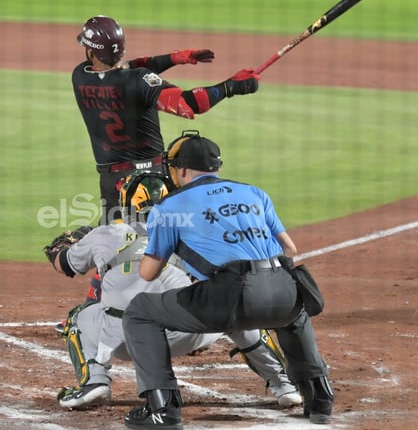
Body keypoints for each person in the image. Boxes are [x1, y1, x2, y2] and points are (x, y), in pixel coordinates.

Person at [122, 132, 333, 430]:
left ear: (180, 170)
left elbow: (148, 273)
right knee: (293, 313)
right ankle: (320, 399)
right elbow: (290, 249)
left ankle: (162, 409)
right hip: (283, 288)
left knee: (140, 310)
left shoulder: (170, 206)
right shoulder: (254, 193)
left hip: (229, 297)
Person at [44, 172, 302, 410]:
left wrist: (62, 247)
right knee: (235, 308)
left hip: (124, 342)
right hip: (187, 331)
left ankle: (95, 382)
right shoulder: (193, 228)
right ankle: (285, 384)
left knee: (78, 317)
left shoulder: (106, 233)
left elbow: (64, 264)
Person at [72, 15, 261, 224]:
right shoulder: (138, 81)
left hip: (111, 180)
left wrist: (174, 58)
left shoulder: (80, 76)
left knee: (115, 242)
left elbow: (125, 70)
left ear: (90, 51)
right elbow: (189, 104)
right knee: (161, 241)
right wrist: (231, 86)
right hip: (152, 180)